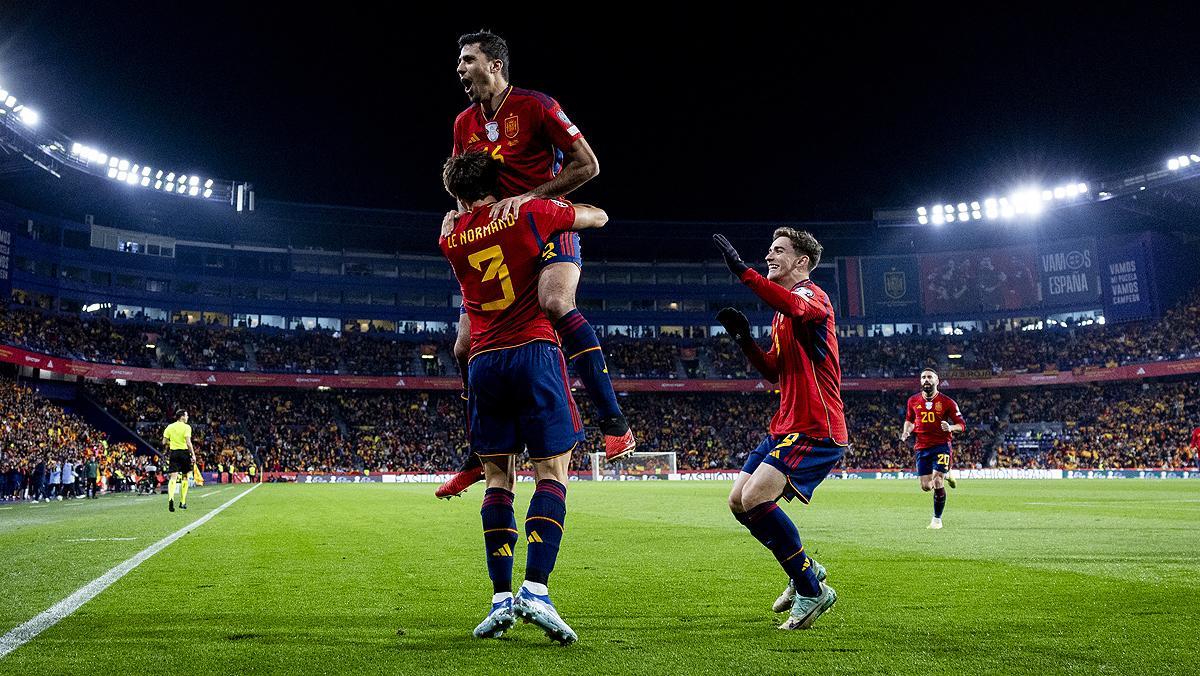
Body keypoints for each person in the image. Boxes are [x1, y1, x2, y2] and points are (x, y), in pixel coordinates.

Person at [437, 30, 634, 500]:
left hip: (542, 225)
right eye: (458, 62)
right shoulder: (463, 122)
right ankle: (475, 454)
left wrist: (532, 197)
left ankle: (614, 422)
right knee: (465, 346)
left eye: (468, 60)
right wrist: (458, 214)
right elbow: (463, 180)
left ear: (495, 64)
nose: (460, 70)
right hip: (496, 241)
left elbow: (588, 166)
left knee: (555, 301)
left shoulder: (536, 106)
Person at [439, 150, 608, 645]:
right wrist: (536, 196)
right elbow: (597, 216)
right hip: (534, 352)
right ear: (502, 179)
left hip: (484, 363)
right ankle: (535, 590)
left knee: (498, 477)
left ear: (456, 194)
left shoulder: (448, 234)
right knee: (552, 472)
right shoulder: (529, 212)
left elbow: (460, 221)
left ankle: (498, 600)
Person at [714, 228, 846, 630]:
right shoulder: (781, 314)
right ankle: (803, 570)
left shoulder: (813, 298)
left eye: (778, 251)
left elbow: (796, 305)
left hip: (815, 425)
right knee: (739, 502)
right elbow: (774, 371)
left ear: (801, 262)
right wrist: (744, 342)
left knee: (755, 498)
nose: (769, 256)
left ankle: (810, 588)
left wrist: (743, 272)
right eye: (768, 250)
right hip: (786, 423)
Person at [900, 368, 965, 529]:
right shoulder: (913, 401)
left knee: (937, 481)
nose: (926, 380)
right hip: (922, 447)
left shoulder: (947, 402)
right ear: (920, 381)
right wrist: (906, 431)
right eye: (923, 377)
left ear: (937, 381)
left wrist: (950, 427)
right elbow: (909, 420)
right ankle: (949, 473)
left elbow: (962, 425)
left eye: (930, 377)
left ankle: (937, 520)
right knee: (926, 486)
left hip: (941, 446)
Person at [162, 411, 196, 512]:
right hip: (184, 453)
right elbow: (188, 443)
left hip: (174, 453)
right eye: (186, 415)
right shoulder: (187, 427)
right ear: (182, 417)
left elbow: (164, 442)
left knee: (173, 477)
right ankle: (182, 502)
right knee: (185, 477)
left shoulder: (170, 427)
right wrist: (193, 454)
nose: (188, 417)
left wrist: (172, 441)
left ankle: (171, 498)